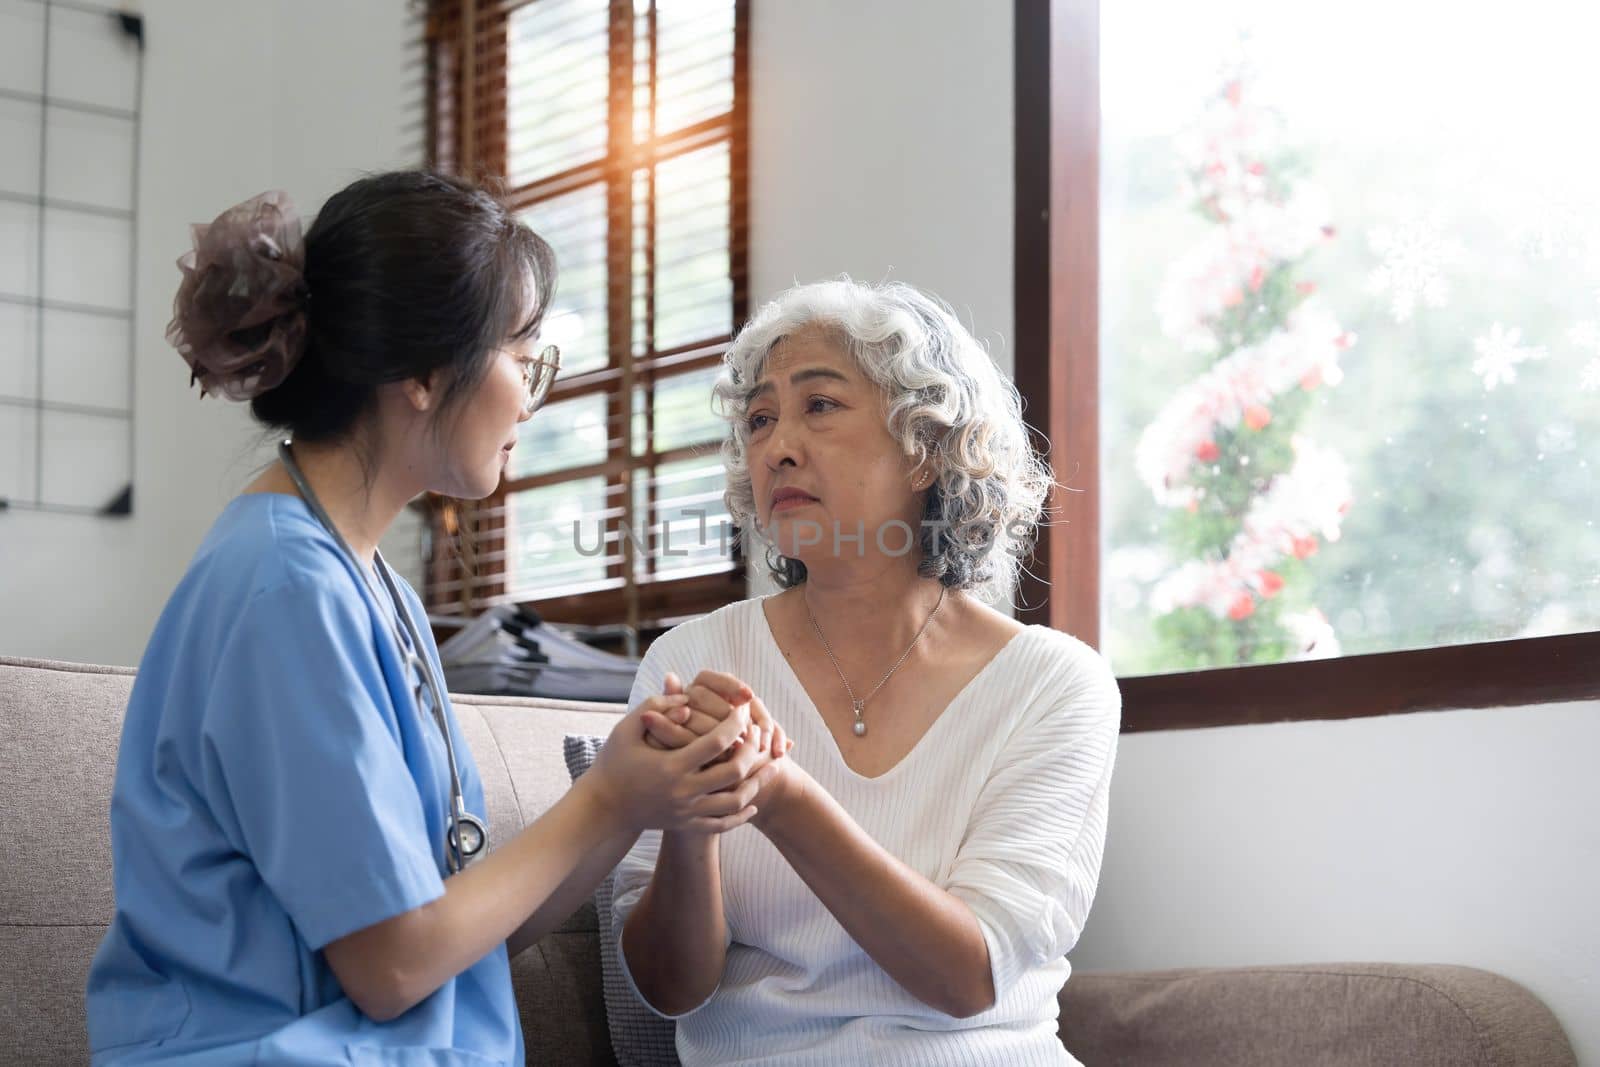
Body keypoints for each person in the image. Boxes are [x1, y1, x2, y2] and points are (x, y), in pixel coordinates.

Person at [84, 171, 785, 1065]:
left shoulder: (375, 588)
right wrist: (608, 794)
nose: (532, 400)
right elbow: (394, 962)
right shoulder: (285, 590)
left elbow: (456, 927)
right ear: (421, 372)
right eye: (521, 356)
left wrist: (629, 788)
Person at [613, 279, 1123, 1065]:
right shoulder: (690, 665)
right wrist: (693, 818)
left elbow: (968, 974)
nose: (777, 444)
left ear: (926, 447)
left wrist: (779, 795)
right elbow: (670, 988)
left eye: (819, 405)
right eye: (759, 418)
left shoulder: (1055, 684)